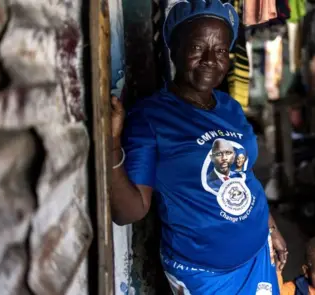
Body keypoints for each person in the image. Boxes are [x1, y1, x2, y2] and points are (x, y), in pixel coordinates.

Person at [109, 0, 287, 294]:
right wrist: (112, 146)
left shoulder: (229, 107)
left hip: (257, 257)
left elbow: (246, 174)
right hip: (204, 274)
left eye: (220, 51)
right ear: (175, 50)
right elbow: (130, 212)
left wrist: (271, 228)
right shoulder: (152, 117)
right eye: (196, 48)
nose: (210, 59)